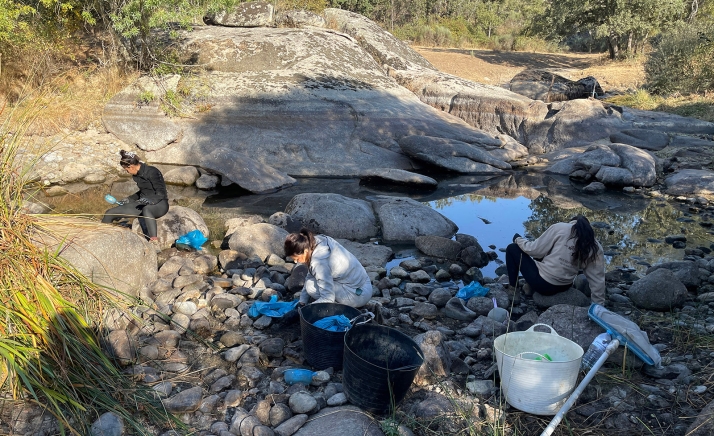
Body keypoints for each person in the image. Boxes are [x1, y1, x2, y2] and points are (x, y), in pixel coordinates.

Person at [506, 215, 606, 305]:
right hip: (565, 285)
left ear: (571, 222)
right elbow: (597, 279)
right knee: (544, 251)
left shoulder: (560, 228)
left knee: (512, 249)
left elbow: (534, 250)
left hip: (543, 284)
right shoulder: (595, 246)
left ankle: (513, 291)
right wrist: (598, 305)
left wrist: (518, 239)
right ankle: (529, 288)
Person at [284, 228, 373, 308]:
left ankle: (337, 308)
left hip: (358, 295)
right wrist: (302, 302)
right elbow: (310, 275)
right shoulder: (314, 242)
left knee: (310, 286)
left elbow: (328, 298)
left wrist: (307, 309)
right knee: (311, 282)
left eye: (296, 258)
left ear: (305, 251)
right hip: (361, 285)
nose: (296, 262)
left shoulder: (319, 261)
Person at [102, 150, 169, 250]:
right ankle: (103, 238)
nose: (127, 172)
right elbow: (142, 192)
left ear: (131, 167)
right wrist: (129, 199)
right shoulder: (137, 174)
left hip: (159, 204)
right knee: (109, 212)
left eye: (126, 169)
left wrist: (150, 201)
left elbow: (161, 193)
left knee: (147, 209)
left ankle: (154, 242)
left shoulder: (152, 171)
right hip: (142, 203)